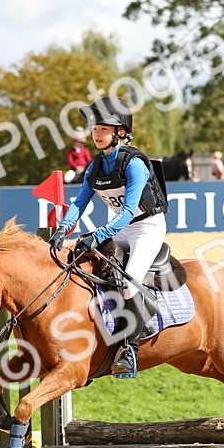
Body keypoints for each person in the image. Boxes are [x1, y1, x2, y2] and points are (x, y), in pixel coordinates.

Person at [51, 96, 169, 379]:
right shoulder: (95, 166)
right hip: (122, 227)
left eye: (102, 129)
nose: (96, 134)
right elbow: (79, 203)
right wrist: (62, 228)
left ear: (120, 132)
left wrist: (99, 234)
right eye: (94, 129)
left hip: (147, 228)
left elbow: (129, 209)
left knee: (128, 282)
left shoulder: (134, 164)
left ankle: (130, 349)